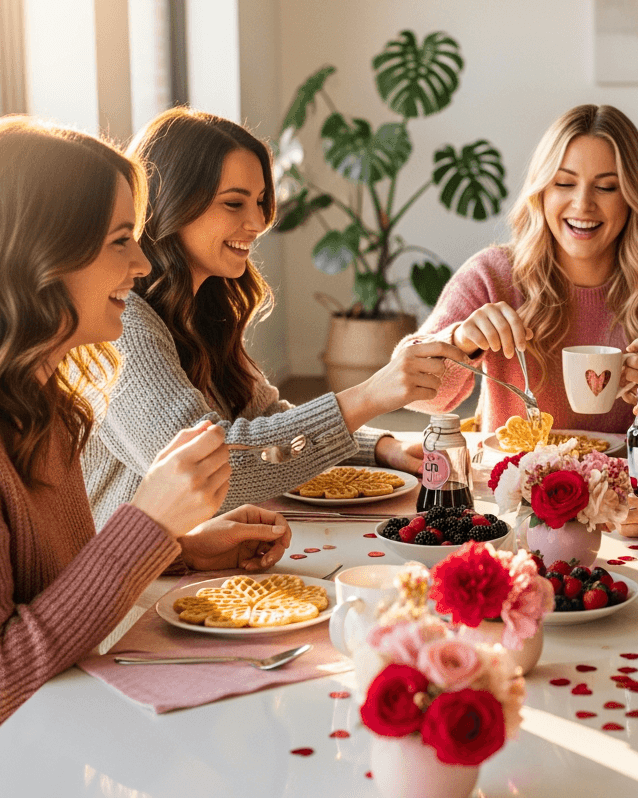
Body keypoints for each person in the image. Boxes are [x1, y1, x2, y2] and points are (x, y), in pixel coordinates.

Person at [0, 118, 293, 796]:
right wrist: (149, 521)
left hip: (56, 751)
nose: (142, 264)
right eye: (120, 242)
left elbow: (44, 589)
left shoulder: (41, 400)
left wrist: (176, 548)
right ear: (39, 256)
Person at [83, 108, 469, 527]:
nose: (257, 223)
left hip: (189, 552)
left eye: (261, 202)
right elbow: (213, 473)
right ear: (172, 202)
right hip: (130, 577)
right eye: (234, 203)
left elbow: (265, 422)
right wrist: (370, 395)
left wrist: (380, 447)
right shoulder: (123, 327)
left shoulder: (204, 309)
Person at [401, 103, 638, 434]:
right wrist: (461, 340)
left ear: (632, 196)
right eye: (564, 183)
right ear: (542, 192)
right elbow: (415, 393)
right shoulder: (491, 274)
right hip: (519, 483)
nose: (583, 204)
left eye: (606, 187)